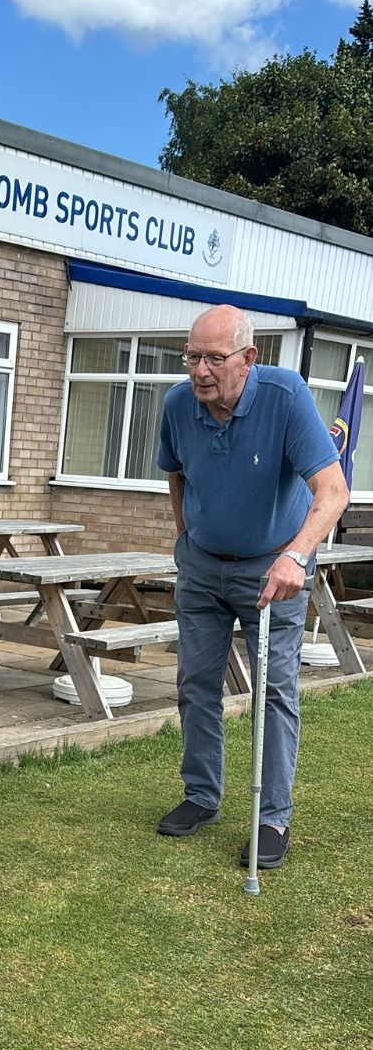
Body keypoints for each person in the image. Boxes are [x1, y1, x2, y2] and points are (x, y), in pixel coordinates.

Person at [156, 305, 348, 868]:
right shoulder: (177, 405)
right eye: (192, 356)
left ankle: (272, 819)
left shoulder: (286, 398)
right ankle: (201, 796)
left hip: (274, 573)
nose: (199, 371)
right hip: (202, 568)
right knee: (195, 683)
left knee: (274, 691)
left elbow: (332, 491)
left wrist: (296, 555)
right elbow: (176, 472)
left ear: (249, 358)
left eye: (215, 358)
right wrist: (185, 538)